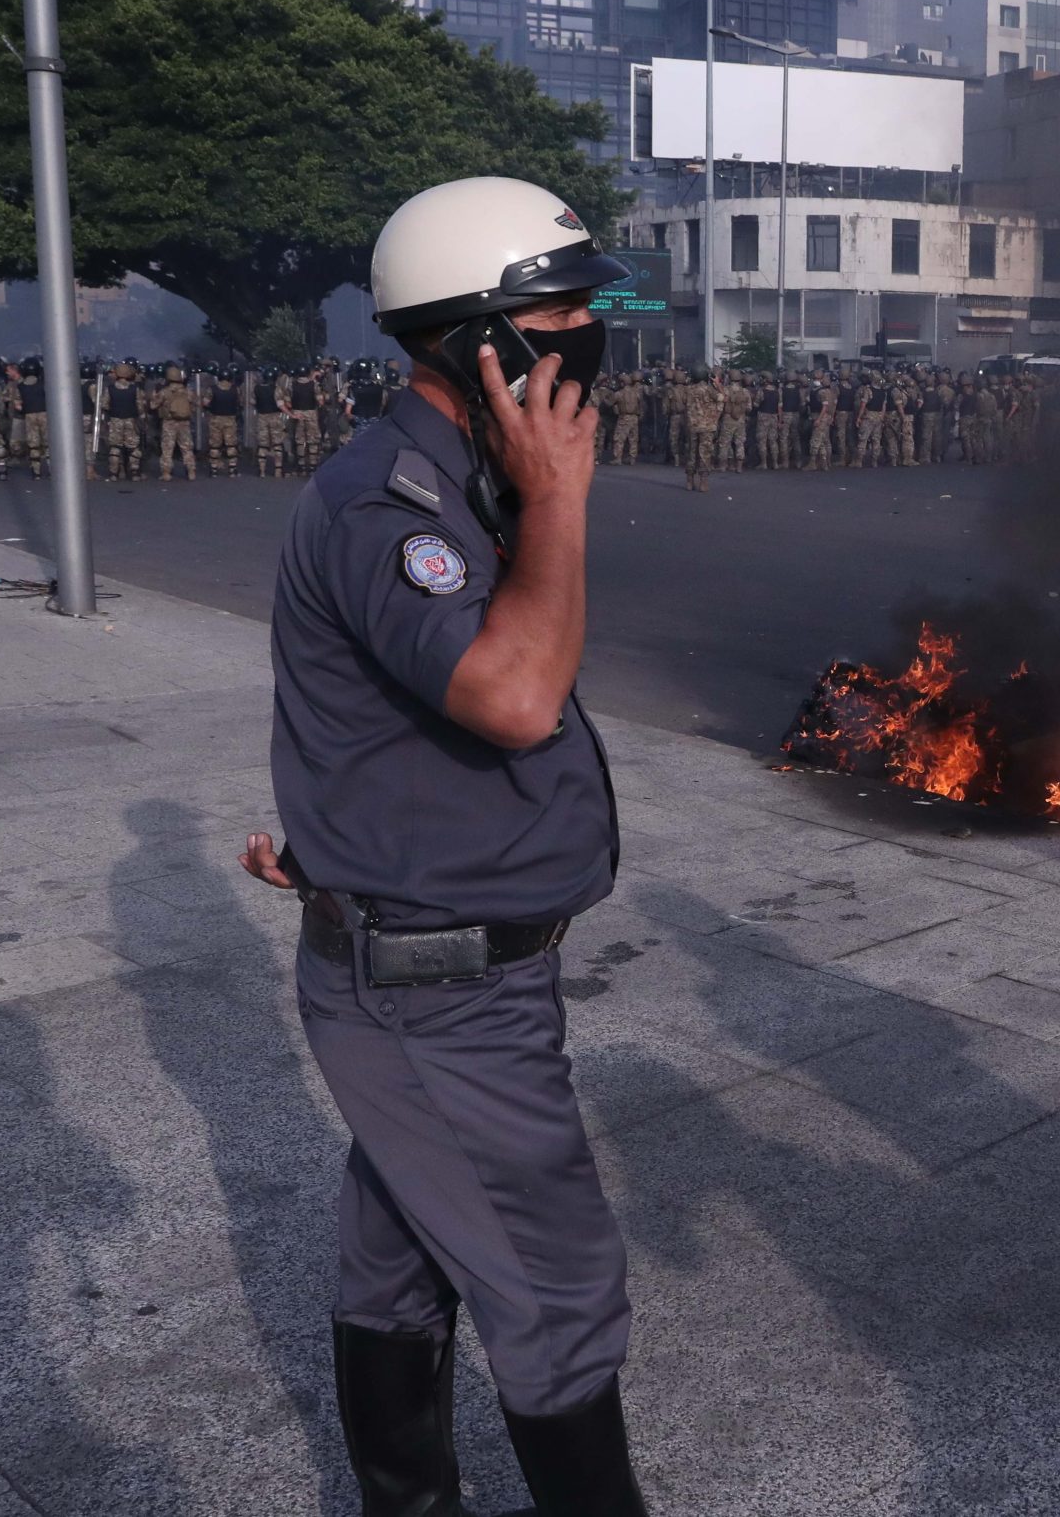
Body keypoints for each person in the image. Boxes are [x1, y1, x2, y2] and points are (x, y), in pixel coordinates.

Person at [242, 175, 646, 1516]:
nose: (592, 334)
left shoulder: (458, 479)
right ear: (481, 337)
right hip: (436, 990)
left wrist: (335, 832)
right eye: (566, 311)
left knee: (403, 1253)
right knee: (560, 1286)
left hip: (436, 960)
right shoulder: (392, 504)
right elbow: (515, 693)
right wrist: (563, 500)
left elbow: (354, 713)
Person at [154, 364, 199, 480]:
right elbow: (196, 405)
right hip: (184, 423)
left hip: (169, 423)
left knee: (167, 448)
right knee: (187, 448)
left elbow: (153, 405)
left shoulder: (164, 392)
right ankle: (191, 472)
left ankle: (166, 473)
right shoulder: (187, 392)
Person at [682, 368, 723, 492]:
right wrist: (717, 383)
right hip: (707, 426)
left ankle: (689, 481)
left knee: (691, 452)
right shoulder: (709, 390)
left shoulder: (688, 390)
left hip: (692, 426)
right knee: (705, 454)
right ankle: (703, 482)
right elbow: (722, 398)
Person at [104, 363, 145, 480]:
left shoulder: (110, 389)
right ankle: (134, 473)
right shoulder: (134, 389)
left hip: (115, 420)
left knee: (115, 447)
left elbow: (105, 405)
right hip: (131, 421)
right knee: (133, 448)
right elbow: (140, 407)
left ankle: (113, 473)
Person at [204, 365, 245, 477]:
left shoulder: (212, 389)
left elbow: (205, 403)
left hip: (215, 419)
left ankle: (214, 470)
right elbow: (241, 403)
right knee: (231, 445)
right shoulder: (235, 389)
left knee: (214, 446)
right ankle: (232, 469)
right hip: (230, 419)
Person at [287, 363, 326, 474]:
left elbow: (288, 403)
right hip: (311, 413)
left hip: (297, 413)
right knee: (313, 440)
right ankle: (313, 465)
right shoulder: (314, 385)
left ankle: (301, 465)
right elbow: (321, 401)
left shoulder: (292, 385)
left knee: (299, 440)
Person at [251, 364, 288, 477]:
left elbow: (252, 402)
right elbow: (281, 404)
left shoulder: (256, 388)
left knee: (262, 445)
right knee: (277, 444)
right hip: (275, 417)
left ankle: (262, 471)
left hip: (262, 417)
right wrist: (290, 413)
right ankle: (278, 470)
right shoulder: (276, 389)